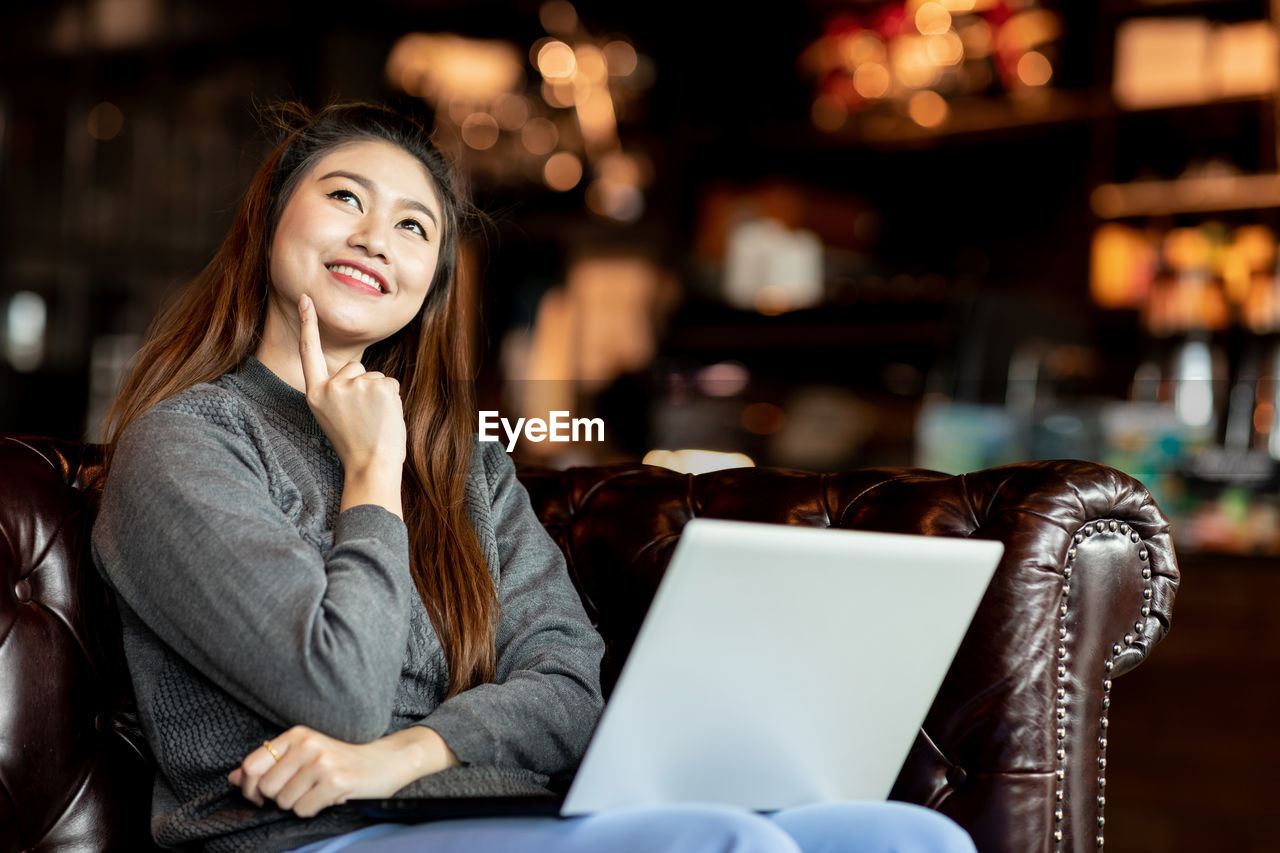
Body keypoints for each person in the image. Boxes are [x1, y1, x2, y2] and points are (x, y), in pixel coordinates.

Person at [91, 101, 977, 853]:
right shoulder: (186, 443)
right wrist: (370, 472)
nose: (374, 237)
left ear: (431, 280)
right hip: (300, 839)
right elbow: (340, 694)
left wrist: (411, 753)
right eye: (344, 198)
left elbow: (566, 689)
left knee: (913, 837)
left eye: (413, 225)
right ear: (270, 221)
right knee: (726, 841)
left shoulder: (467, 465)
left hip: (470, 806)